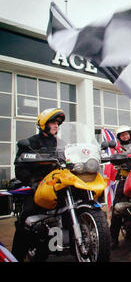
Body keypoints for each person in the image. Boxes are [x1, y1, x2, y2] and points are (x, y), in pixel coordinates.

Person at [12, 108, 66, 261]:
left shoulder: (61, 144)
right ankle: (17, 256)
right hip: (37, 186)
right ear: (43, 124)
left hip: (58, 184)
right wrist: (33, 181)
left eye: (58, 123)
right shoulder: (30, 142)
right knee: (27, 217)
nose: (56, 126)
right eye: (53, 123)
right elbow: (20, 168)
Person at [110, 125, 131, 249]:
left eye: (127, 134)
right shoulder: (118, 150)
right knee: (117, 208)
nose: (125, 136)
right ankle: (113, 238)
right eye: (122, 135)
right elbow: (113, 160)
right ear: (119, 138)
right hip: (125, 179)